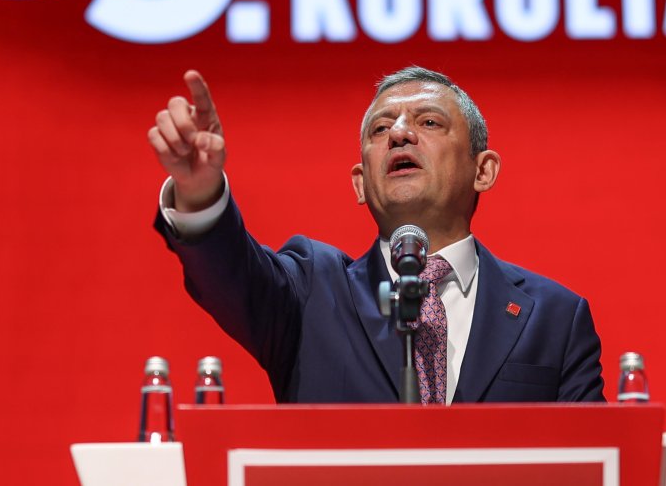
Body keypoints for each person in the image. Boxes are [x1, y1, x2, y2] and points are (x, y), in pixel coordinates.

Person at [149, 66, 605, 403]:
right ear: (361, 184)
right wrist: (201, 193)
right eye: (381, 129)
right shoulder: (311, 294)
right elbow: (229, 276)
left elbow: (597, 460)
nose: (400, 135)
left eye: (428, 122)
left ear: (483, 170)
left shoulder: (555, 319)